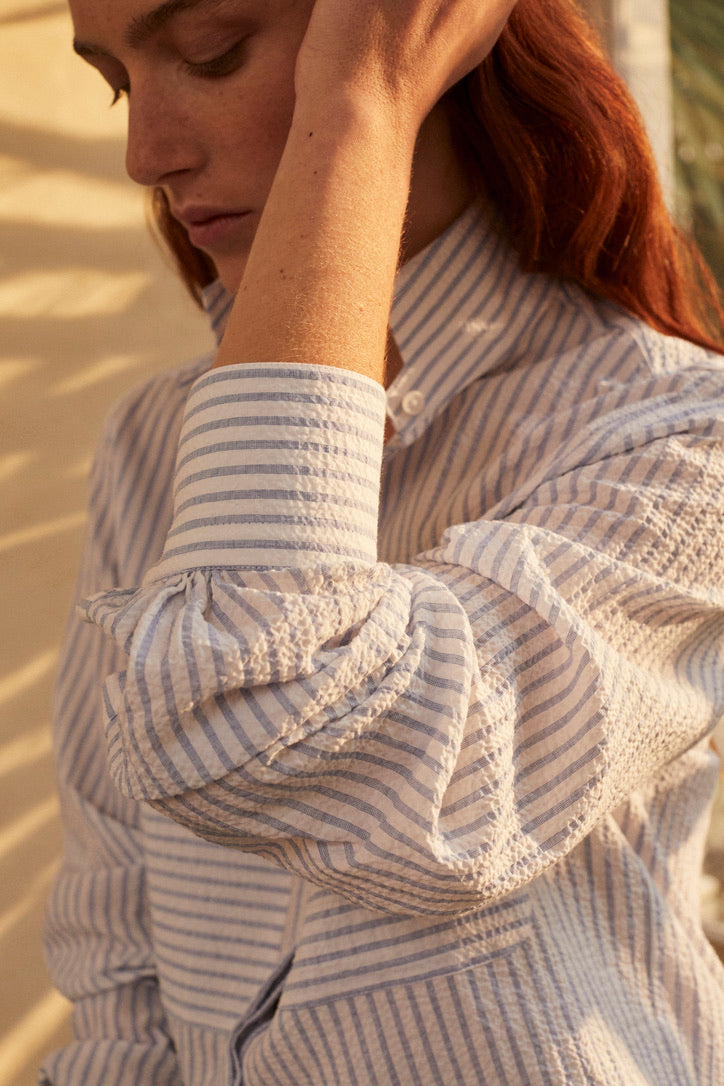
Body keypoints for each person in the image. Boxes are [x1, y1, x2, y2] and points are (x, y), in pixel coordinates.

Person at [42, 0, 724, 1082]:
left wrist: (360, 109)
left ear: (425, 33)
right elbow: (119, 942)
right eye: (119, 82)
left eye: (211, 53)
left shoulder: (678, 437)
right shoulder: (155, 445)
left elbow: (268, 700)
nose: (145, 155)